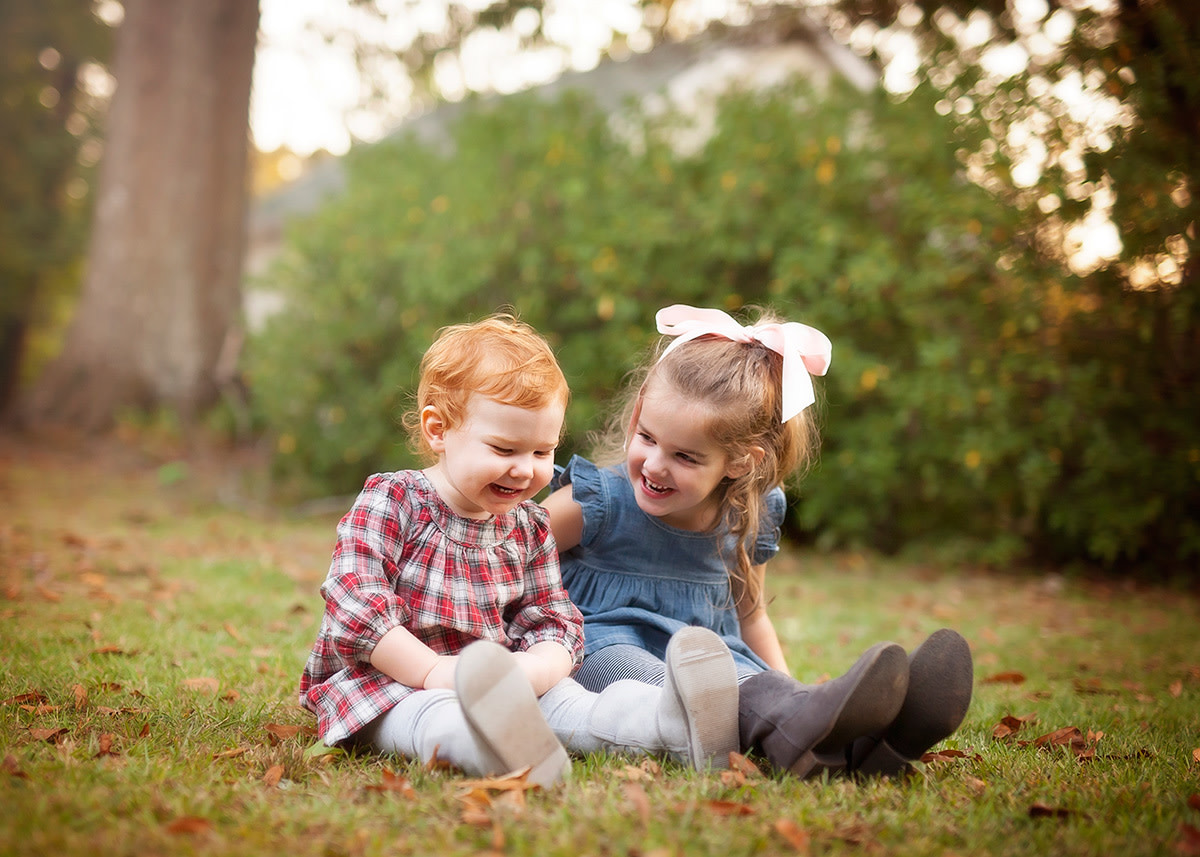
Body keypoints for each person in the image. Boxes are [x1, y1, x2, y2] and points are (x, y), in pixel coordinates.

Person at [299, 315, 742, 788]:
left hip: (502, 683)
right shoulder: (394, 501)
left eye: (540, 452)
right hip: (392, 680)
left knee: (574, 704)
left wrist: (539, 667)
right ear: (438, 430)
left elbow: (552, 613)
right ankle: (487, 745)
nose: (524, 471)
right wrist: (431, 671)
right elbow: (356, 604)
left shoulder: (528, 527)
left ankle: (664, 724)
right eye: (504, 448)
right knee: (432, 715)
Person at [542, 304, 974, 778]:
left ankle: (869, 743)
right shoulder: (597, 503)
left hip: (714, 657)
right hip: (608, 651)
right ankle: (820, 730)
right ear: (638, 411)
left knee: (752, 688)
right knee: (699, 694)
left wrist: (791, 686)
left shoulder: (748, 515)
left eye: (685, 456)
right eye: (647, 437)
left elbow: (751, 617)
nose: (654, 464)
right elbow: (504, 554)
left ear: (740, 462)